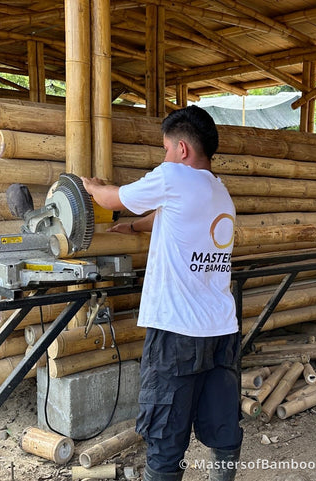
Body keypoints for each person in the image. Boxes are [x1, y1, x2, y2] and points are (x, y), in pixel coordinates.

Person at [81, 106, 242, 481]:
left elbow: (113, 198)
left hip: (176, 333)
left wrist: (90, 187)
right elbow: (171, 214)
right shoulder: (218, 192)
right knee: (223, 427)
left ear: (182, 149)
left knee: (165, 437)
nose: (165, 157)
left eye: (166, 149)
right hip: (221, 329)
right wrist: (135, 226)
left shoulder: (174, 175)